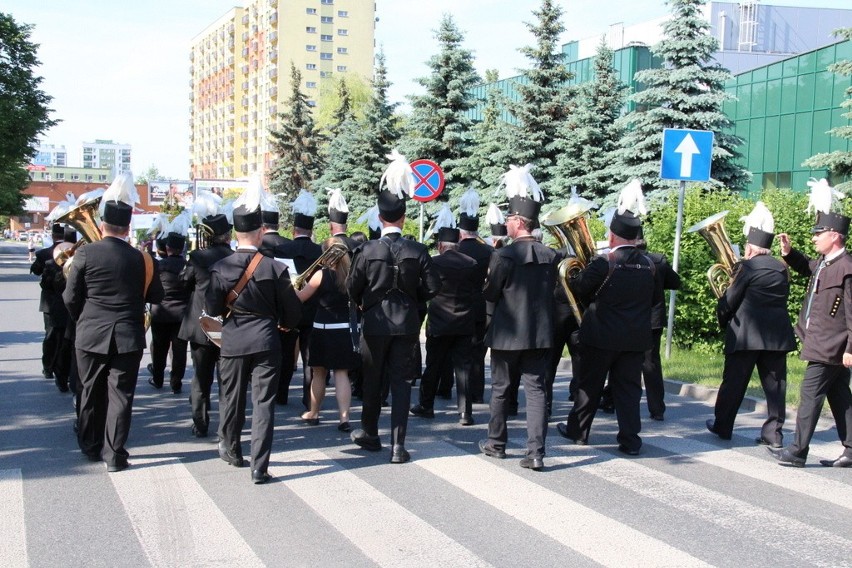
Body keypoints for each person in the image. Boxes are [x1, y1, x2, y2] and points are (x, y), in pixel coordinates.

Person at [63, 173, 164, 472]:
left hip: (91, 333)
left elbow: (70, 296)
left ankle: (90, 445)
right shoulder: (141, 258)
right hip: (128, 335)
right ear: (128, 226)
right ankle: (115, 455)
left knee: (89, 390)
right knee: (121, 397)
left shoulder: (85, 253)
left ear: (102, 223)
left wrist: (84, 318)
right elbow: (155, 295)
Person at [347, 151, 440, 463]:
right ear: (402, 217)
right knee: (402, 385)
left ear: (379, 217)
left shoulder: (366, 250)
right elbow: (432, 289)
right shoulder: (418, 249)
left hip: (374, 324)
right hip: (407, 325)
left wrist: (364, 302)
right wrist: (413, 302)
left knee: (373, 380)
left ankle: (371, 434)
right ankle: (399, 447)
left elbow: (352, 288)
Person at [556, 180, 659, 456]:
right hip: (635, 340)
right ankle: (630, 441)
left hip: (601, 337)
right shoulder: (649, 265)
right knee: (628, 392)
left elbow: (577, 288)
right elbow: (652, 299)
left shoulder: (604, 263)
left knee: (589, 386)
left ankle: (579, 432)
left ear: (612, 236)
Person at [206, 197, 302, 484]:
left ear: (236, 234)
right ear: (260, 232)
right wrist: (284, 325)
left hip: (233, 340)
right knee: (264, 404)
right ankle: (259, 467)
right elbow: (293, 313)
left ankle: (232, 449)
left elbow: (211, 312)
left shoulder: (220, 268)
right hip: (266, 340)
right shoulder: (275, 268)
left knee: (231, 398)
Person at [479, 165, 556, 471]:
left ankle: (497, 444)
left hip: (507, 334)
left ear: (518, 222)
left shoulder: (503, 256)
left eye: (509, 219)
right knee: (536, 392)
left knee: (501, 389)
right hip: (539, 335)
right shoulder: (552, 256)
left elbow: (491, 293)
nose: (506, 223)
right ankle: (536, 452)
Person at [770, 185, 852, 468]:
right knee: (840, 395)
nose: (815, 238)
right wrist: (789, 252)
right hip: (819, 340)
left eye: (819, 234)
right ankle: (851, 449)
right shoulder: (825, 263)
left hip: (831, 345)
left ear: (835, 236)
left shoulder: (847, 267)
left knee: (809, 395)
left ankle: (797, 451)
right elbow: (807, 267)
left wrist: (851, 348)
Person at [707, 203, 795, 445]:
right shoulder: (781, 268)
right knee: (776, 388)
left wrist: (722, 316)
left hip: (745, 336)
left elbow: (730, 300)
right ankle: (773, 434)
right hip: (776, 338)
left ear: (750, 248)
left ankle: (723, 426)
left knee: (733, 384)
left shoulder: (746, 267)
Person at [410, 208, 481, 426]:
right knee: (463, 368)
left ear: (441, 246)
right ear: (457, 244)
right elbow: (477, 290)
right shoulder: (471, 263)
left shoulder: (435, 262)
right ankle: (465, 412)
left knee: (433, 365)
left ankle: (426, 405)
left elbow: (426, 289)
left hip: (440, 322)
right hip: (464, 322)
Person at [179, 212, 234, 438]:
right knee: (226, 381)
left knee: (200, 378)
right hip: (227, 327)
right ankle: (226, 427)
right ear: (228, 235)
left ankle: (200, 423)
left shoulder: (197, 257)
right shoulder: (234, 256)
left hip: (201, 327)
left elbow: (183, 282)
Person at [295, 237, 358, 431]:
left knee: (319, 373)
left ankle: (314, 412)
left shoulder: (320, 275)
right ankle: (344, 418)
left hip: (322, 328)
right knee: (342, 374)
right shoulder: (351, 274)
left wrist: (291, 286)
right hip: (344, 329)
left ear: (325, 253)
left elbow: (301, 297)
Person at [273, 190, 322, 407]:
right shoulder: (320, 250)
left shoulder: (281, 249)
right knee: (310, 359)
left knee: (284, 355)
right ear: (311, 231)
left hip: (288, 309)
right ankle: (307, 399)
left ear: (294, 230)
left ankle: (281, 395)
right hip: (313, 311)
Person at [638, 233, 681, 421]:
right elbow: (676, 282)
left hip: (629, 319)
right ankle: (657, 409)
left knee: (621, 360)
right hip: (652, 320)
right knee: (651, 364)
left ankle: (609, 400)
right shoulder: (658, 261)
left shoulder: (620, 260)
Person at [456, 188, 493, 404]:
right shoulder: (489, 251)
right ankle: (477, 392)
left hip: (459, 305)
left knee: (463, 351)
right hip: (481, 305)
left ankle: (464, 392)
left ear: (461, 231)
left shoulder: (455, 250)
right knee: (478, 351)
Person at [148, 225, 191, 394]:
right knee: (179, 351)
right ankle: (176, 382)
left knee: (159, 348)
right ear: (182, 249)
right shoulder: (188, 266)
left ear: (167, 248)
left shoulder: (158, 266)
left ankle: (158, 379)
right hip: (182, 315)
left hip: (160, 313)